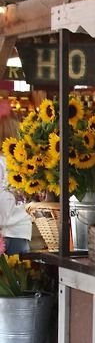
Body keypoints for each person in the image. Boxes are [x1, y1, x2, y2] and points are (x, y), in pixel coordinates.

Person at [0, 99, 32, 255]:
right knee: (20, 274)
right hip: (22, 230)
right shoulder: (22, 162)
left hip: (4, 231)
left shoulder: (0, 163)